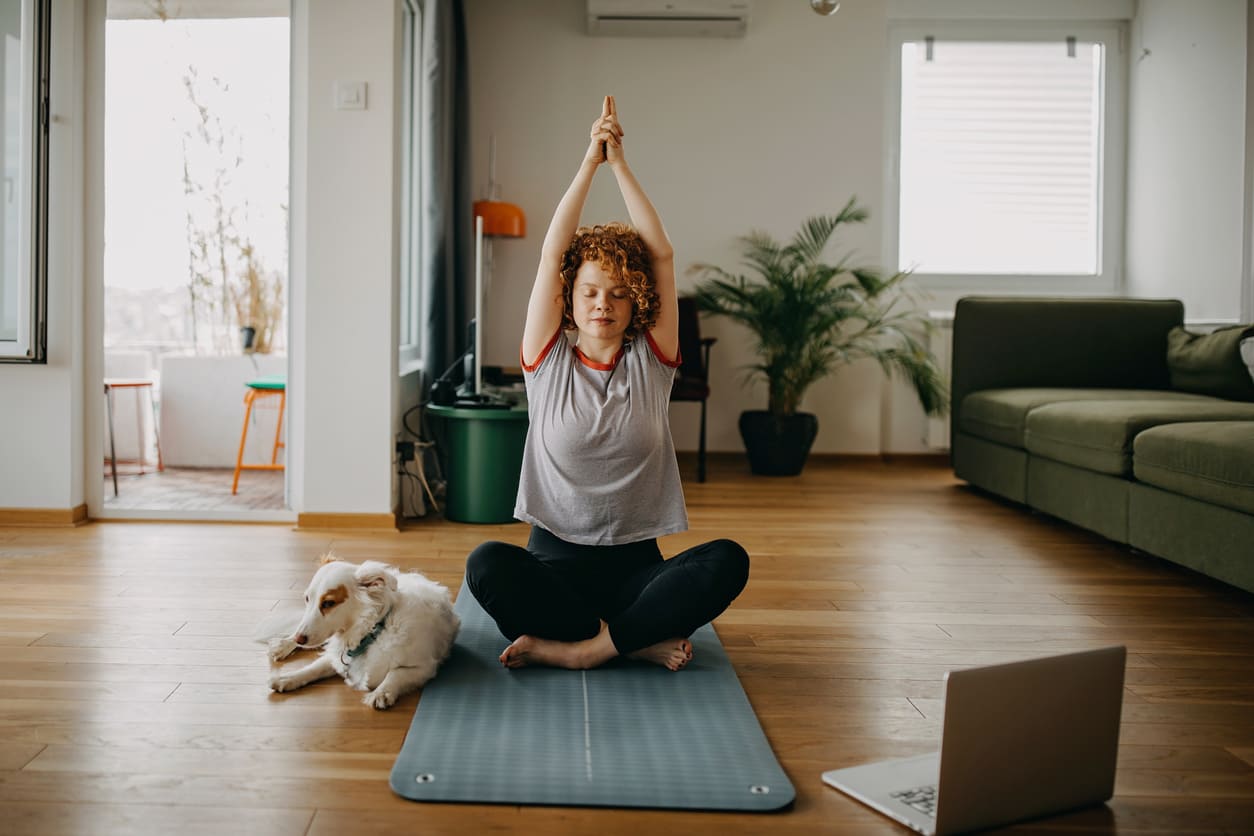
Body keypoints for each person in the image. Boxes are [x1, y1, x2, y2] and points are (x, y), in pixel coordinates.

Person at [465, 95, 750, 672]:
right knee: (485, 563)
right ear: (570, 298)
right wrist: (588, 163)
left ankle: (585, 650)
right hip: (553, 570)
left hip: (636, 572)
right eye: (591, 291)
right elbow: (551, 255)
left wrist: (620, 164)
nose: (604, 304)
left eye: (620, 293)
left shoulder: (654, 359)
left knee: (728, 560)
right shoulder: (546, 361)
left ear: (636, 301)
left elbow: (662, 255)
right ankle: (630, 641)